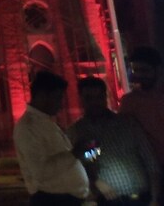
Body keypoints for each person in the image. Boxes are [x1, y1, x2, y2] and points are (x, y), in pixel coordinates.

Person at [68, 76, 160, 205]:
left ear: (105, 97)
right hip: (109, 201)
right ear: (81, 100)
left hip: (143, 197)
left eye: (99, 97)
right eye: (89, 98)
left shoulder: (127, 123)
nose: (95, 102)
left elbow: (150, 161)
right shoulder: (78, 132)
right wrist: (94, 181)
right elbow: (81, 165)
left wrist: (155, 198)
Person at [13, 71, 89, 205]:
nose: (60, 105)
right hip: (52, 200)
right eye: (58, 98)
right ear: (42, 96)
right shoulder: (28, 127)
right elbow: (40, 171)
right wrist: (74, 154)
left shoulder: (46, 122)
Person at [120, 46, 164, 192]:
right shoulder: (129, 102)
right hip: (150, 171)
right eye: (135, 70)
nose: (139, 75)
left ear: (158, 70)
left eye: (144, 70)